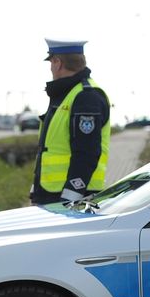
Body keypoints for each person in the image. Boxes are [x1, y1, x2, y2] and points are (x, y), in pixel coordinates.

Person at [30, 38, 110, 205]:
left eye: (51, 62)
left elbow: (87, 153)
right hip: (51, 195)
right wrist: (36, 188)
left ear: (57, 62)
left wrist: (70, 197)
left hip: (70, 199)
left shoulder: (86, 97)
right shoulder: (67, 94)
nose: (51, 68)